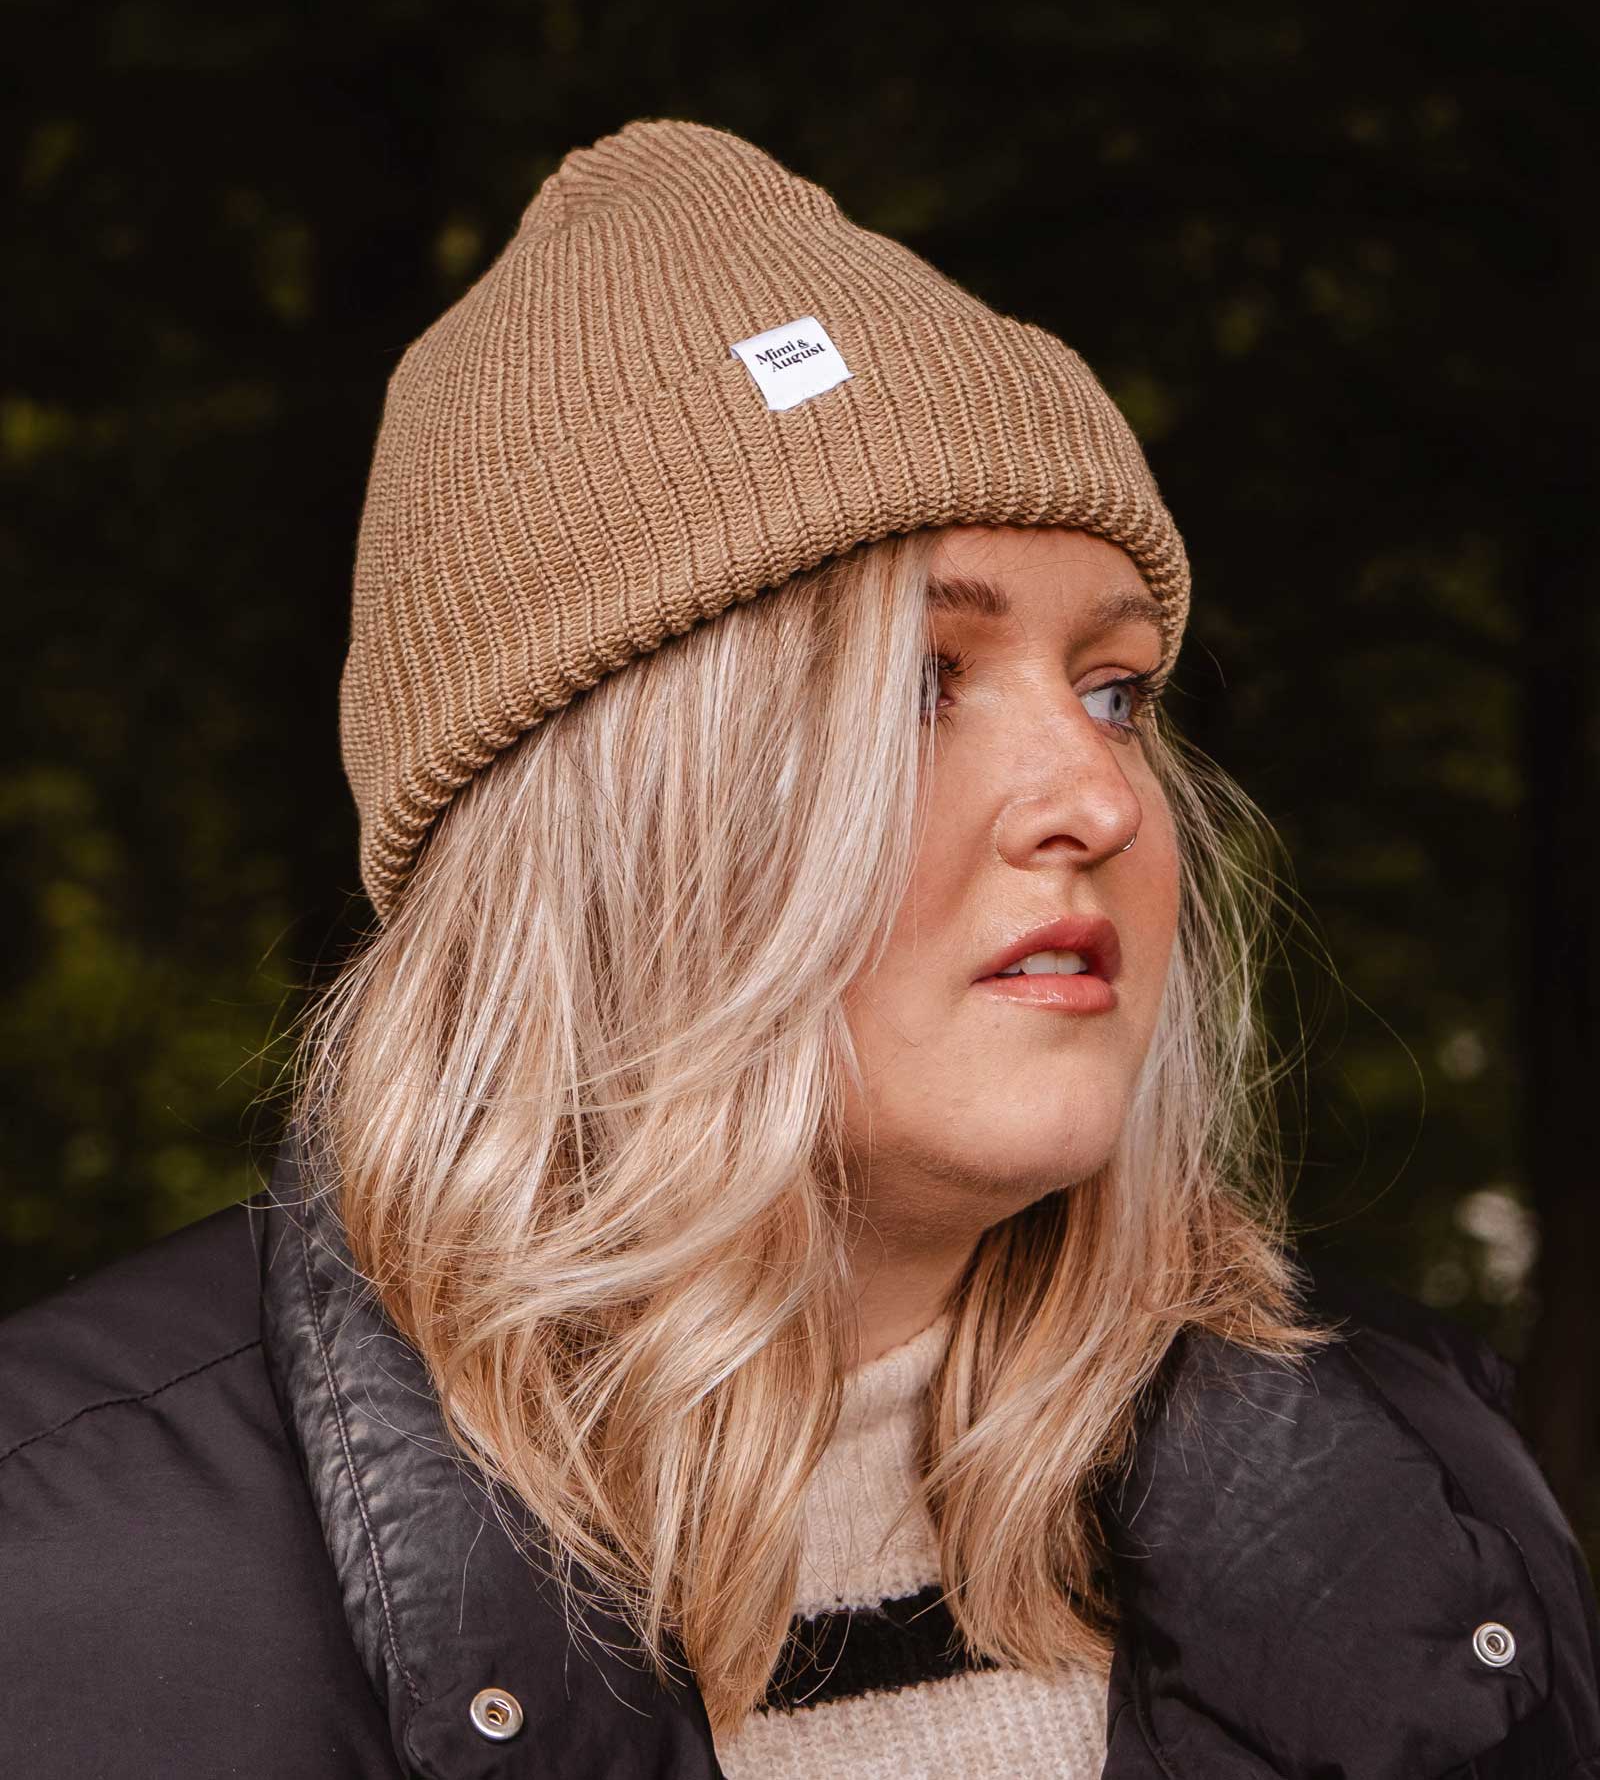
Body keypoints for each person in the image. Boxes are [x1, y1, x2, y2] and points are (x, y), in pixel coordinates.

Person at [2, 120, 1596, 1780]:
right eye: (920, 684)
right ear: (610, 823)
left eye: (1116, 690)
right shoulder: (68, 1580)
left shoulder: (1428, 1503)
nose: (1097, 797)